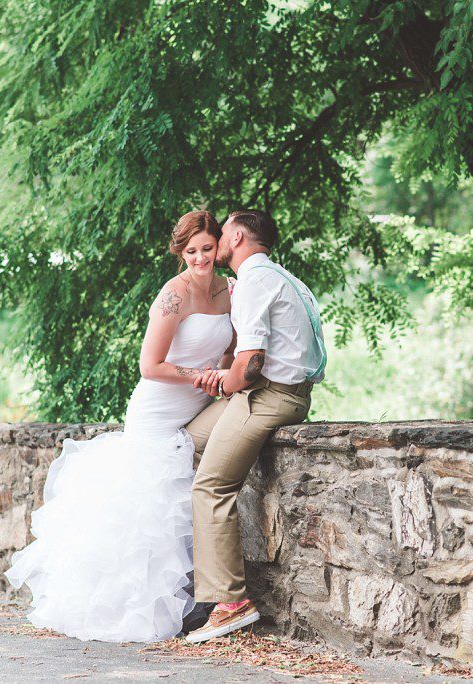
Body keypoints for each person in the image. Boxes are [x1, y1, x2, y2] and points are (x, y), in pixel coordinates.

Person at [4, 210, 234, 642]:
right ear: (179, 253)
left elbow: (228, 353)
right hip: (157, 411)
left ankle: (197, 602)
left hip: (200, 404)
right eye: (191, 251)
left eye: (207, 248)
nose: (201, 258)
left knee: (185, 499)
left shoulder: (231, 291)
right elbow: (150, 366)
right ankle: (138, 608)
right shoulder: (173, 295)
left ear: (218, 246)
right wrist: (197, 376)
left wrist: (219, 377)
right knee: (151, 508)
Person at [183, 209, 326, 643]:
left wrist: (220, 381)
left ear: (239, 235)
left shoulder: (254, 282)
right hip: (271, 392)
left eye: (222, 233)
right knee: (181, 445)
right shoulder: (282, 277)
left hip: (268, 395)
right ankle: (194, 583)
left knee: (210, 486)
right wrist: (229, 381)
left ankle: (230, 603)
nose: (217, 239)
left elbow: (249, 368)